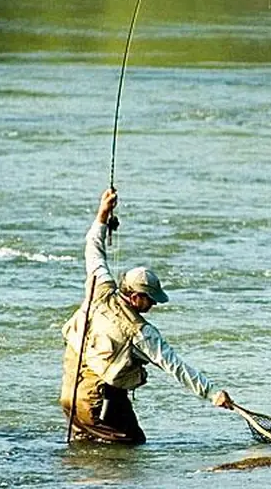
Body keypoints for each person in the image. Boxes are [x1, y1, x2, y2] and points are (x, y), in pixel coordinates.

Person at [60, 188, 232, 444]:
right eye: (149, 299)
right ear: (133, 297)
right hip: (94, 405)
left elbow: (93, 248)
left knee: (85, 449)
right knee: (131, 446)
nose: (153, 304)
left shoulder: (100, 289)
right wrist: (212, 394)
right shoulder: (141, 333)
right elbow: (175, 366)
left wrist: (103, 213)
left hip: (70, 398)